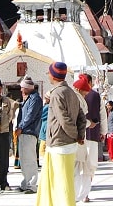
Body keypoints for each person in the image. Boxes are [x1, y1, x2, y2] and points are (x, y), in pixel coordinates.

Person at [35, 62, 85, 206]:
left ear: (54, 75)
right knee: (52, 181)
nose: (48, 75)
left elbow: (64, 120)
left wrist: (75, 135)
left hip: (60, 143)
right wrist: (80, 135)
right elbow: (81, 116)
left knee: (62, 184)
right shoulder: (71, 92)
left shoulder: (57, 93)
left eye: (49, 73)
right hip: (66, 144)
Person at [73, 73, 104, 203]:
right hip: (87, 135)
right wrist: (103, 131)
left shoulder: (73, 96)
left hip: (79, 137)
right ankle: (83, 193)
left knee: (80, 166)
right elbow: (102, 115)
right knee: (88, 166)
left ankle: (80, 192)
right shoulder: (94, 96)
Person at [15, 77, 41, 194]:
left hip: (29, 132)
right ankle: (25, 183)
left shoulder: (35, 99)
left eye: (22, 88)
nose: (21, 90)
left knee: (30, 159)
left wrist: (21, 127)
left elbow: (30, 115)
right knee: (24, 160)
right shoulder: (27, 99)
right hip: (24, 133)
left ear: (27, 88)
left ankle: (32, 185)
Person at [38, 90, 50, 157]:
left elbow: (41, 115)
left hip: (45, 128)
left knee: (43, 150)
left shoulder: (48, 107)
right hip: (46, 128)